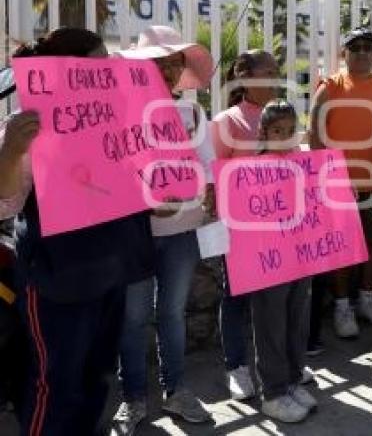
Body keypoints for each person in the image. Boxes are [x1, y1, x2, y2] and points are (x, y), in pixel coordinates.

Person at [0, 28, 156, 435]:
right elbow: (5, 204)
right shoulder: (26, 127)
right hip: (56, 280)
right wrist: (11, 152)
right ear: (68, 72)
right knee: (56, 383)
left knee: (96, 375)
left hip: (110, 272)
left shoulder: (119, 119)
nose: (109, 74)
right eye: (99, 66)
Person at [111, 26, 216, 433]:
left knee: (172, 313)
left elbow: (206, 163)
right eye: (160, 62)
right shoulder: (118, 112)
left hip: (182, 229)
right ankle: (133, 398)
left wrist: (208, 191)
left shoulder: (192, 113)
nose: (169, 71)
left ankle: (177, 391)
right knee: (134, 317)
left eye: (175, 64)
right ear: (141, 65)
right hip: (133, 232)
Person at [309, 27, 372, 339]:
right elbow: (314, 134)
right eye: (355, 46)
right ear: (343, 53)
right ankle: (342, 305)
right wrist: (329, 179)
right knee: (342, 249)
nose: (362, 52)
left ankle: (365, 299)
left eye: (367, 47)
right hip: (339, 186)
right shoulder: (330, 87)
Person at [211, 49, 280, 400]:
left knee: (273, 300)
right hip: (239, 229)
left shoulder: (280, 115)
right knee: (236, 298)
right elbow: (214, 175)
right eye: (267, 71)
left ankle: (275, 363)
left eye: (276, 71)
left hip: (279, 227)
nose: (275, 77)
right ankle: (236, 366)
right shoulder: (228, 121)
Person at [250, 100, 317, 422]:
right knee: (271, 326)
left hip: (300, 259)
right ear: (263, 132)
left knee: (296, 322)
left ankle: (292, 379)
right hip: (269, 264)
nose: (285, 137)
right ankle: (272, 393)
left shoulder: (304, 163)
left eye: (291, 131)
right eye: (277, 131)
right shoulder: (251, 170)